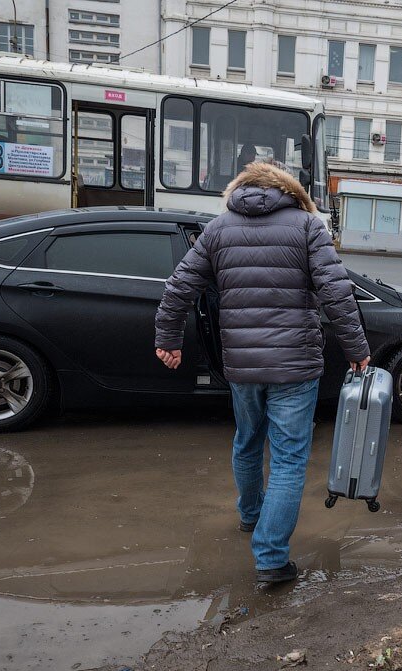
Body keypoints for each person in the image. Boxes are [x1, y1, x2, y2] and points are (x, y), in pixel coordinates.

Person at [154, 162, 370, 585]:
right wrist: (357, 350)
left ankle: (252, 517)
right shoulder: (308, 226)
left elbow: (179, 285)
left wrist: (168, 338)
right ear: (289, 191)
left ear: (240, 190)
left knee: (248, 440)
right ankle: (271, 558)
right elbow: (336, 292)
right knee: (289, 461)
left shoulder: (219, 228)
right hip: (295, 365)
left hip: (243, 365)